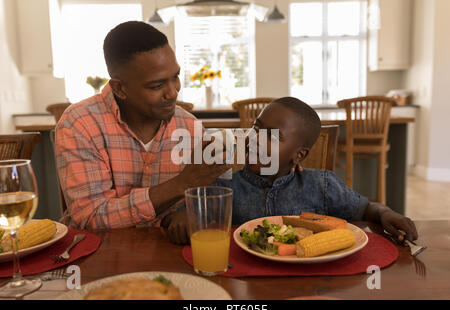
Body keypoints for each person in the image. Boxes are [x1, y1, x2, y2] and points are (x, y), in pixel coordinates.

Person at [166, 97, 418, 245]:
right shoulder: (224, 185)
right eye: (256, 127)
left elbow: (365, 209)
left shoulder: (322, 185)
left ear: (299, 155)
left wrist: (385, 212)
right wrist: (179, 220)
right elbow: (177, 215)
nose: (255, 138)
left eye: (271, 137)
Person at [55, 21, 229, 230]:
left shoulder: (190, 126)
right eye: (157, 85)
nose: (173, 92)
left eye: (175, 77)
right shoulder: (80, 124)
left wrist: (185, 214)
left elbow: (198, 207)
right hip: (98, 255)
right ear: (119, 88)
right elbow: (91, 218)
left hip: (166, 251)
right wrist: (181, 184)